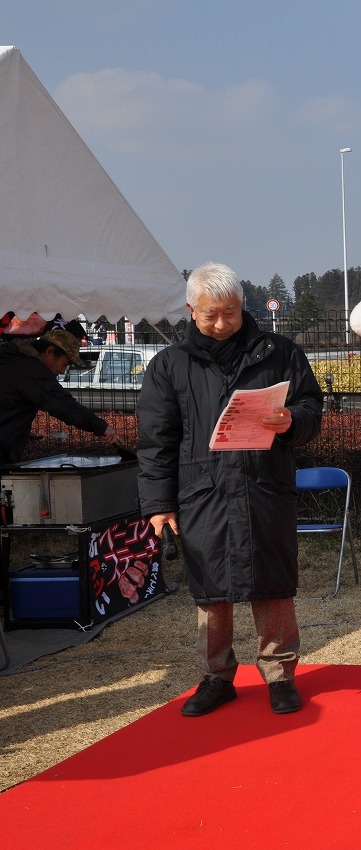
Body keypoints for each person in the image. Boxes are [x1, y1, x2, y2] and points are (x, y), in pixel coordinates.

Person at [137, 262, 323, 716]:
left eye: (231, 313)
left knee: (273, 582)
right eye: (210, 315)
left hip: (265, 483)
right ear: (190, 310)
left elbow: (311, 407)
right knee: (210, 589)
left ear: (243, 307)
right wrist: (159, 503)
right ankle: (215, 677)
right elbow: (156, 440)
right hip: (202, 489)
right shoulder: (169, 365)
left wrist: (292, 420)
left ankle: (280, 675)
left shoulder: (278, 352)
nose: (221, 323)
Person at [0, 325, 120, 466]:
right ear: (50, 352)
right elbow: (61, 403)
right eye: (65, 364)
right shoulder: (31, 370)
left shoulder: (13, 359)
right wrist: (100, 426)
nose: (63, 371)